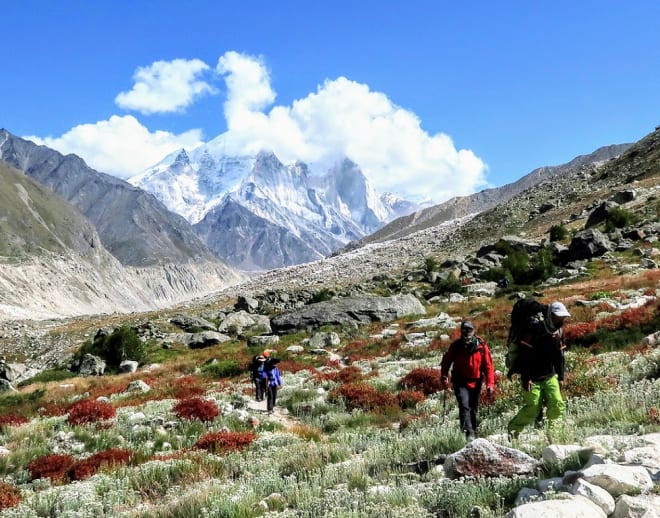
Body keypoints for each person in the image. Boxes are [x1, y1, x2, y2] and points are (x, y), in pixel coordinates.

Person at [507, 301, 570, 440]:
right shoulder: (534, 330)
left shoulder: (558, 332)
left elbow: (559, 357)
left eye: (562, 317)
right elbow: (524, 355)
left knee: (557, 404)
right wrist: (526, 378)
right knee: (533, 408)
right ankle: (513, 431)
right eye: (558, 317)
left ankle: (554, 436)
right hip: (532, 378)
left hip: (550, 376)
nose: (561, 320)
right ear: (550, 315)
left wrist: (560, 377)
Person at [440, 321, 495, 441]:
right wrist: (444, 376)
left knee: (473, 407)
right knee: (464, 405)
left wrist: (490, 384)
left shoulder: (481, 346)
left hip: (476, 381)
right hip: (460, 381)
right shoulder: (456, 346)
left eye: (469, 330)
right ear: (461, 331)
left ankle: (472, 431)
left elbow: (488, 366)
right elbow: (446, 362)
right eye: (464, 330)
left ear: (473, 331)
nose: (467, 332)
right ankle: (469, 433)